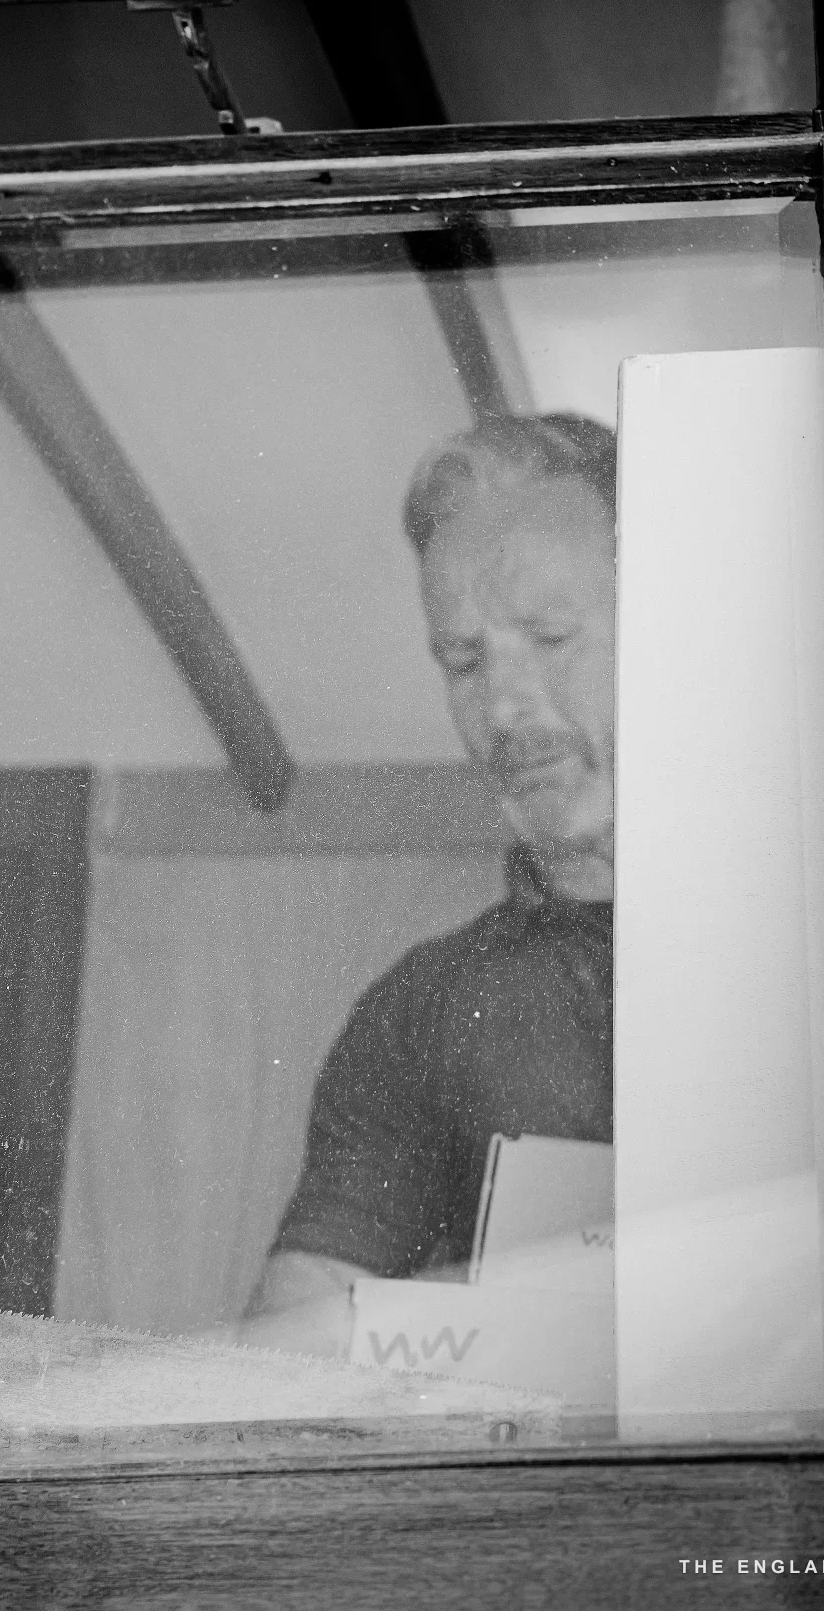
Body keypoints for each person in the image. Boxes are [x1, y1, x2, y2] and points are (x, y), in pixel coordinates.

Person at [239, 412, 618, 1358]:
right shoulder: (424, 1009)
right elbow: (296, 1332)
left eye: (550, 634)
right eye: (464, 660)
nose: (502, 706)